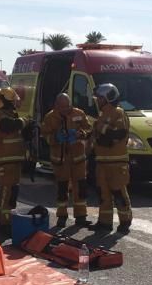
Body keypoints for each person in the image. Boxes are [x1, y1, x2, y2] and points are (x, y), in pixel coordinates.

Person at [42, 92, 92, 227]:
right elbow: (45, 135)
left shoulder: (78, 113)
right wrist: (56, 138)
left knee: (80, 186)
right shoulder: (50, 117)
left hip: (78, 157)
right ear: (56, 106)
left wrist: (80, 133)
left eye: (68, 107)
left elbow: (88, 128)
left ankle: (81, 216)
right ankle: (62, 216)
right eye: (62, 108)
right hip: (61, 159)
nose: (66, 110)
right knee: (62, 188)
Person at [92, 83, 132, 232]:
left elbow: (117, 134)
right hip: (102, 161)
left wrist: (102, 131)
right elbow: (100, 136)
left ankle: (125, 221)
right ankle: (104, 222)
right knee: (103, 194)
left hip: (117, 161)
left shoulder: (118, 112)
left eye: (100, 98)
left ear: (108, 98)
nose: (98, 100)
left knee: (119, 193)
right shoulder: (102, 114)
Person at [0, 86, 27, 236]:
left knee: (10, 193)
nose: (14, 104)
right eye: (12, 101)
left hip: (13, 161)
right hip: (5, 161)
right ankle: (4, 224)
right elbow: (10, 125)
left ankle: (4, 221)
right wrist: (24, 121)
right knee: (7, 193)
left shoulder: (7, 115)